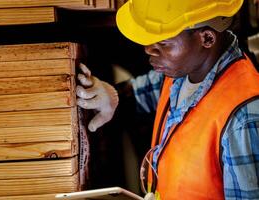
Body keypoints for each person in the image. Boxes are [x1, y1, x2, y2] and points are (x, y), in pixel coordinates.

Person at [76, 0, 259, 199]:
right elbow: (138, 94)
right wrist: (112, 96)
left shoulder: (243, 119)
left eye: (163, 43)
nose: (148, 49)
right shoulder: (181, 73)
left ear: (206, 38)